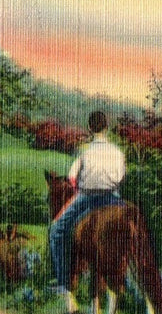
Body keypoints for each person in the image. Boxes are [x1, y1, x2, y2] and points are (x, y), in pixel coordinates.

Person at [48, 111, 126, 291]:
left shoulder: (85, 152)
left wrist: (80, 187)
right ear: (106, 127)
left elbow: (71, 178)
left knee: (57, 230)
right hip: (113, 198)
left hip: (89, 198)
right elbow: (121, 177)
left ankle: (63, 283)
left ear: (90, 128)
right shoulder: (117, 152)